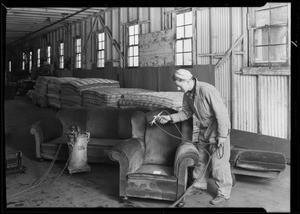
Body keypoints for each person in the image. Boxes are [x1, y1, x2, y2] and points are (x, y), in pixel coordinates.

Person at [157, 69, 232, 205]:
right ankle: (199, 185)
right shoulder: (187, 95)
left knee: (218, 163)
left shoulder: (207, 90)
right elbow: (186, 113)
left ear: (188, 80)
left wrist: (222, 135)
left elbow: (221, 113)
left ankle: (224, 193)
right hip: (204, 129)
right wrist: (169, 118)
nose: (178, 88)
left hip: (216, 129)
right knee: (201, 159)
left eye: (180, 85)